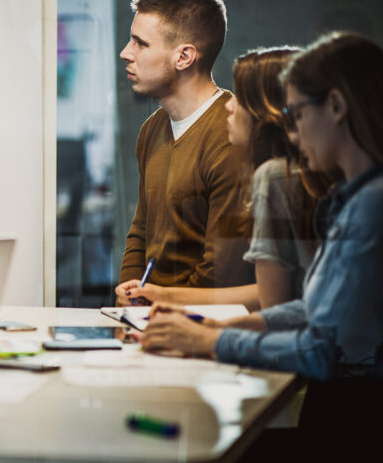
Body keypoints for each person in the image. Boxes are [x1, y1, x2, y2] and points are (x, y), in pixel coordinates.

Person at [142, 32, 383, 444]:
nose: (293, 132)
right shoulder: (354, 197)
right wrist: (229, 327)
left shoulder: (370, 205)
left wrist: (212, 340)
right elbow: (312, 309)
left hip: (357, 411)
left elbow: (319, 349)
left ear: (337, 107)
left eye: (299, 113)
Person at [116, 47, 330, 310]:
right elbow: (272, 296)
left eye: (241, 97)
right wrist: (159, 298)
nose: (228, 104)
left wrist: (187, 325)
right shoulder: (151, 130)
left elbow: (275, 307)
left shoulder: (274, 178)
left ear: (268, 112)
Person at [116, 0, 252, 302]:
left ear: (184, 56)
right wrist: (129, 292)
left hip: (201, 325)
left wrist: (158, 304)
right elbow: (141, 232)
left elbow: (222, 272)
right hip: (149, 316)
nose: (126, 52)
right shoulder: (152, 129)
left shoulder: (231, 136)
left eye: (140, 43)